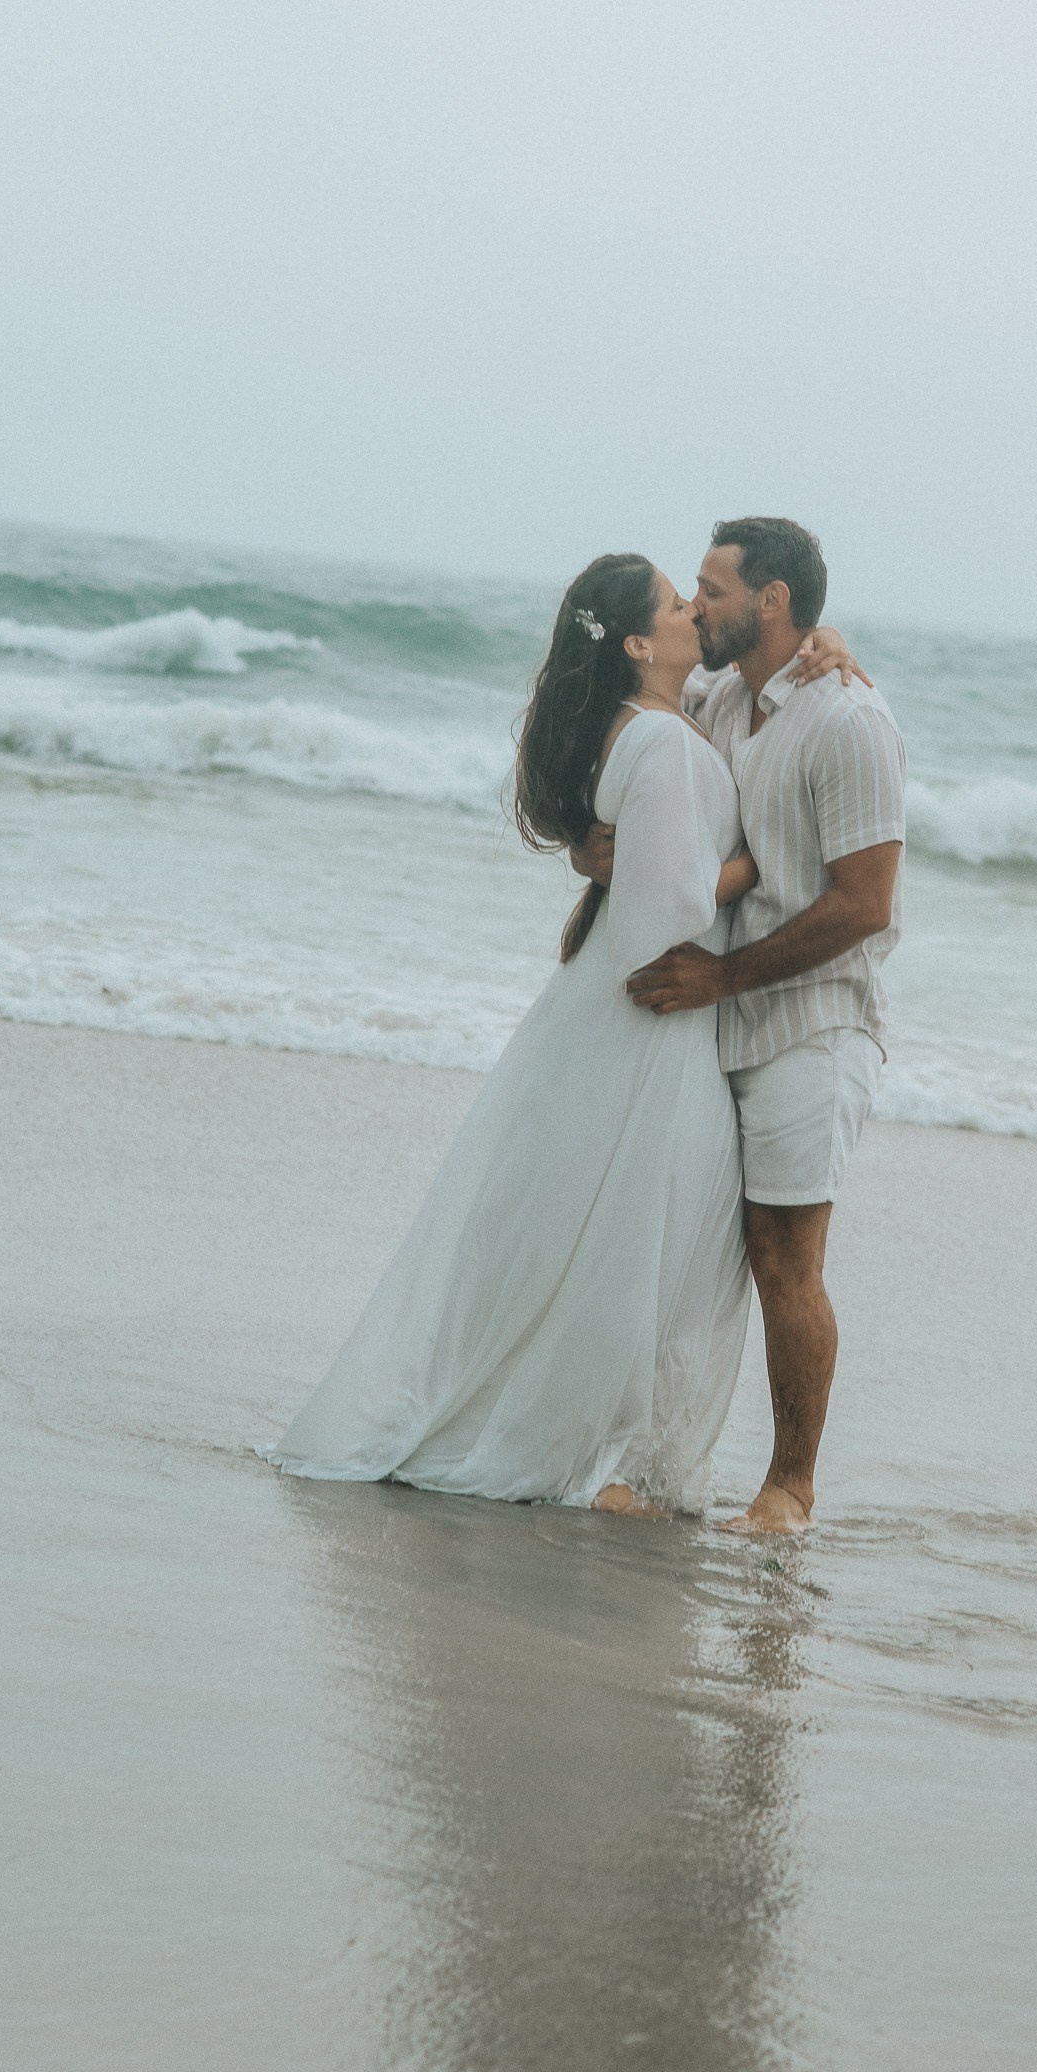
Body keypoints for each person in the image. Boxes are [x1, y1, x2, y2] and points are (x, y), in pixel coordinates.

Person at [266, 553, 761, 1515]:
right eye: (674, 605)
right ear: (636, 644)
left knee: (583, 1228)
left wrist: (826, 645)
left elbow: (645, 858)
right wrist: (761, 863)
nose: (692, 612)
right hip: (647, 1012)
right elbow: (668, 909)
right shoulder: (659, 740)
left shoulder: (654, 721)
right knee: (624, 1238)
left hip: (611, 1007)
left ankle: (577, 1439)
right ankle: (574, 1447)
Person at [581, 518, 906, 1538]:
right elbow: (630, 755)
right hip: (715, 1022)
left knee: (784, 1256)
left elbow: (865, 903)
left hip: (813, 1026)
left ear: (772, 602)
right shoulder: (721, 700)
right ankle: (660, 1471)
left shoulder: (849, 720)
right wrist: (588, 847)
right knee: (686, 1250)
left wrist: (722, 976)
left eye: (713, 589)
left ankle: (789, 1489)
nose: (696, 606)